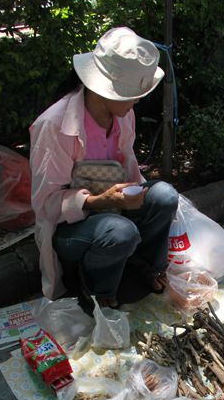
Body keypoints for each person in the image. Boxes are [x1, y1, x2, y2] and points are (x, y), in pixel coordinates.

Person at [29, 27, 179, 308]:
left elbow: (130, 166)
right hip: (72, 229)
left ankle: (144, 264)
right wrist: (97, 201)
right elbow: (45, 204)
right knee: (120, 232)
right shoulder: (54, 126)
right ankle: (97, 290)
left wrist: (136, 195)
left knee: (165, 196)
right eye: (132, 94)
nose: (137, 100)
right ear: (102, 89)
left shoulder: (124, 114)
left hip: (114, 210)